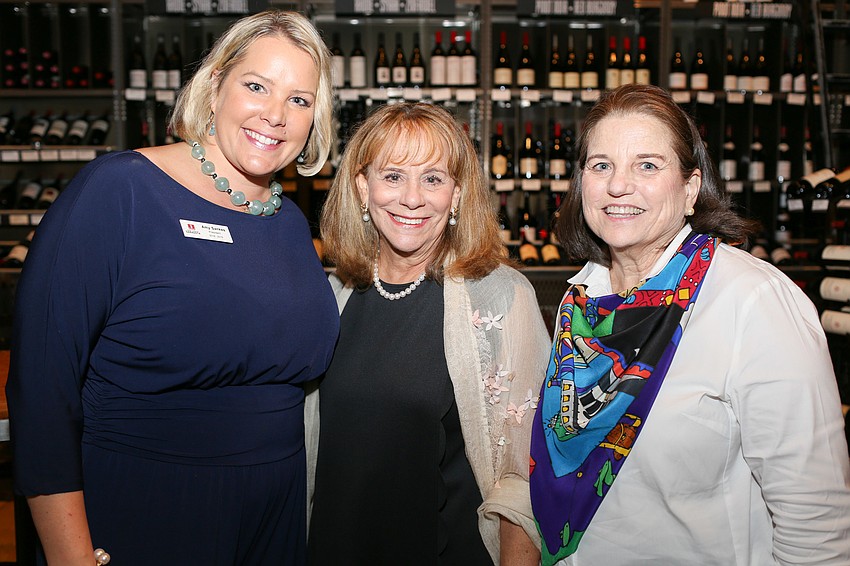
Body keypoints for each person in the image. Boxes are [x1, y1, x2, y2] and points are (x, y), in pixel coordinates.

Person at [6, 10, 339, 565]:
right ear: (213, 88)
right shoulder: (120, 192)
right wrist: (69, 555)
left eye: (300, 100)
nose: (275, 115)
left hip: (274, 521)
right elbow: (42, 389)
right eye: (256, 86)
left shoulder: (285, 221)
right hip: (147, 508)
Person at [530, 83, 850, 565]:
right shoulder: (580, 303)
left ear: (690, 188)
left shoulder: (749, 300)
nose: (619, 185)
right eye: (601, 165)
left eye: (648, 165)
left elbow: (816, 523)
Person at [306, 102, 550, 565]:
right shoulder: (329, 294)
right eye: (393, 176)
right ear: (363, 187)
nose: (412, 198)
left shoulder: (499, 296)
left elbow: (525, 476)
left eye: (434, 178)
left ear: (456, 194)